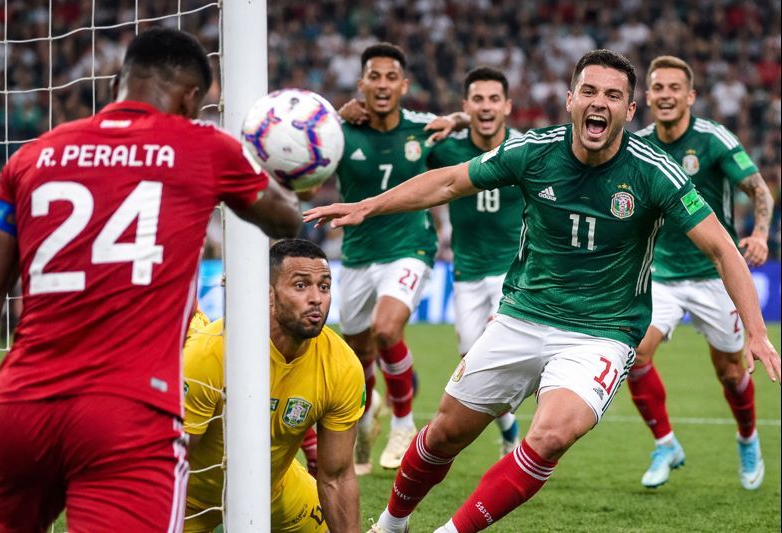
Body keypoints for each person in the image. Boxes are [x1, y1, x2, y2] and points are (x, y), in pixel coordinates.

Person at [303, 49, 780, 533]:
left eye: (614, 95)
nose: (600, 102)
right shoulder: (534, 152)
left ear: (629, 111)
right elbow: (448, 182)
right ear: (570, 99)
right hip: (522, 316)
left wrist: (757, 334)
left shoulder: (653, 170)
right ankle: (390, 525)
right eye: (589, 91)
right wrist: (369, 205)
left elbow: (723, 249)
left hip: (603, 332)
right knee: (445, 434)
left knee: (550, 435)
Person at [0, 28, 301, 532]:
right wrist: (290, 156)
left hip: (21, 407)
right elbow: (285, 220)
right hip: (128, 414)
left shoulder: (32, 157)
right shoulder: (202, 147)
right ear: (192, 97)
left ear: (117, 83)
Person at [628, 55, 775, 490]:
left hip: (716, 273)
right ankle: (666, 443)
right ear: (648, 96)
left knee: (731, 373)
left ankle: (748, 437)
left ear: (690, 96)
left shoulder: (713, 140)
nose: (666, 95)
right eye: (658, 88)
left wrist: (761, 233)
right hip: (660, 273)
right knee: (633, 355)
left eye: (675, 88)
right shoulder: (639, 145)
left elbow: (758, 189)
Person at [183, 239, 365, 532]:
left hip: (272, 492)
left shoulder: (342, 365)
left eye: (324, 286)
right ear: (267, 294)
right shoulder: (210, 353)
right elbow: (169, 462)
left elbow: (338, 476)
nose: (316, 298)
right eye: (301, 285)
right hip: (191, 500)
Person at [334, 42, 452, 475]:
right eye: (374, 76)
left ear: (404, 85)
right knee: (357, 356)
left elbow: (462, 141)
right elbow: (306, 185)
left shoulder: (423, 129)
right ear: (362, 83)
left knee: (387, 329)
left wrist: (456, 119)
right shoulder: (341, 132)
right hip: (358, 255)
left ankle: (404, 424)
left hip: (411, 247)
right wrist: (332, 117)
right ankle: (367, 418)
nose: (382, 85)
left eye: (391, 77)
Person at [426, 66, 523, 457]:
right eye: (478, 100)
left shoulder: (525, 148)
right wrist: (452, 122)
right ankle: (510, 427)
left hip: (513, 272)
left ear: (508, 106)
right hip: (466, 272)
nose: (486, 106)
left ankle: (530, 443)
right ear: (467, 106)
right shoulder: (446, 149)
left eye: (494, 99)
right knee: (470, 356)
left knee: (497, 353)